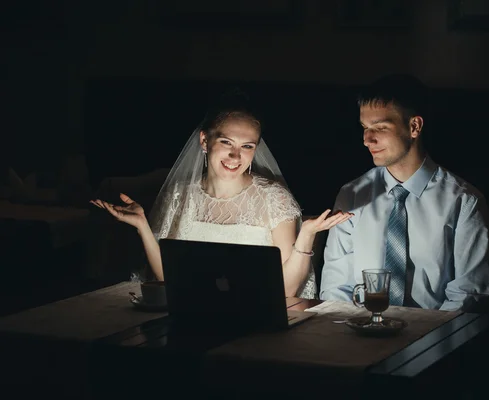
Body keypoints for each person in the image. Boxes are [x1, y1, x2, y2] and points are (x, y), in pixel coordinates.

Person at [91, 91, 352, 299]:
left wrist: (306, 236)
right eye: (226, 142)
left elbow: (286, 292)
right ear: (205, 141)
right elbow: (166, 281)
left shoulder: (275, 200)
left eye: (247, 146)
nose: (235, 156)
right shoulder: (178, 197)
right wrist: (142, 227)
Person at [320, 75, 489, 311]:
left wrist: (426, 341)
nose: (367, 140)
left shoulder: (463, 201)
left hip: (435, 335)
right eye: (364, 128)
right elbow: (336, 286)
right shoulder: (352, 195)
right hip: (362, 334)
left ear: (414, 127)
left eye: (380, 128)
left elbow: (467, 294)